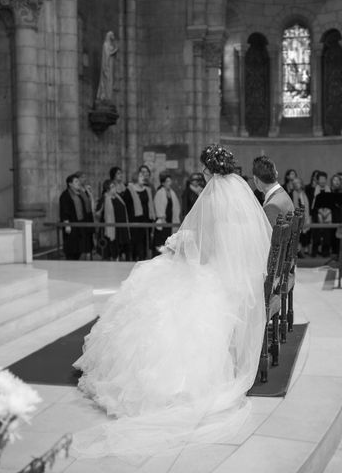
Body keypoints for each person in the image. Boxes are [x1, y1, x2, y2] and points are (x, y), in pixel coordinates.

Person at [72, 144, 272, 458]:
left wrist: (178, 249)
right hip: (232, 278)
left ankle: (160, 384)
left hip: (211, 276)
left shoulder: (214, 198)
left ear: (208, 171)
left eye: (204, 169)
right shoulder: (239, 196)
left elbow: (204, 253)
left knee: (156, 291)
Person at [123, 168, 156, 261]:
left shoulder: (147, 189)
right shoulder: (129, 190)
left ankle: (143, 258)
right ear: (135, 177)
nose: (143, 178)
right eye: (141, 176)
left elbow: (150, 204)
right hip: (134, 220)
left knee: (145, 241)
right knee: (135, 242)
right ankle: (133, 258)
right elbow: (126, 205)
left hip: (146, 219)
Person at [252, 156, 294, 227]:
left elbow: (269, 237)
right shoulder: (282, 193)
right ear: (276, 174)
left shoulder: (271, 206)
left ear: (255, 179)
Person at [59, 174, 90, 260]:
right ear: (70, 184)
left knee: (79, 248)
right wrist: (66, 223)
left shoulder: (80, 194)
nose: (78, 183)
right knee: (71, 248)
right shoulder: (65, 195)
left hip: (80, 224)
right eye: (76, 181)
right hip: (71, 224)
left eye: (78, 181)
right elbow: (64, 210)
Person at [153, 172, 181, 256]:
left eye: (170, 181)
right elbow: (157, 205)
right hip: (162, 222)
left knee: (169, 243)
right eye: (168, 181)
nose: (170, 183)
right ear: (163, 183)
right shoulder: (159, 192)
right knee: (161, 243)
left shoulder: (172, 193)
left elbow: (176, 206)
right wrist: (162, 216)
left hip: (171, 221)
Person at [291, 177, 311, 256]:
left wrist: (307, 216)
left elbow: (307, 205)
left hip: (306, 215)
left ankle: (302, 250)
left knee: (304, 234)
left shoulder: (304, 193)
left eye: (298, 183)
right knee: (298, 234)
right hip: (297, 216)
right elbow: (295, 205)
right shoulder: (294, 193)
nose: (296, 185)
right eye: (294, 184)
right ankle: (297, 251)